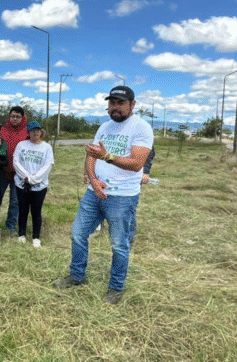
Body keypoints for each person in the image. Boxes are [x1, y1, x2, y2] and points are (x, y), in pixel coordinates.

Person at [54, 86, 154, 305]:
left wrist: (107, 156)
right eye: (112, 103)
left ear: (132, 105)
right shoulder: (104, 127)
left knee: (119, 244)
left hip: (122, 197)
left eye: (120, 103)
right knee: (77, 234)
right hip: (94, 193)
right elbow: (91, 155)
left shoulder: (141, 127)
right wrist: (93, 179)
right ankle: (77, 276)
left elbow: (137, 164)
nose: (115, 107)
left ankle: (116, 287)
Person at [13, 121, 54, 248]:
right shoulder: (21, 145)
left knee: (36, 211)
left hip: (39, 186)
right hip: (22, 184)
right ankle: (21, 234)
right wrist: (26, 176)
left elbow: (48, 165)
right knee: (23, 210)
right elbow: (16, 161)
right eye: (32, 130)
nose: (35, 132)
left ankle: (36, 237)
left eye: (37, 130)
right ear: (28, 132)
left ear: (41, 132)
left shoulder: (47, 147)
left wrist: (33, 179)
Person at [0, 106, 28, 232]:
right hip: (2, 171)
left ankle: (11, 226)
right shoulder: (2, 130)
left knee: (15, 201)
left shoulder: (27, 132)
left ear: (23, 118)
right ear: (9, 117)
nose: (15, 119)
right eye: (12, 116)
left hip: (19, 174)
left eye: (18, 117)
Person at [130, 146, 155, 244]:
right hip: (112, 174)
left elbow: (148, 150)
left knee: (129, 207)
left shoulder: (141, 136)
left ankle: (129, 237)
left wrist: (145, 171)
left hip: (132, 176)